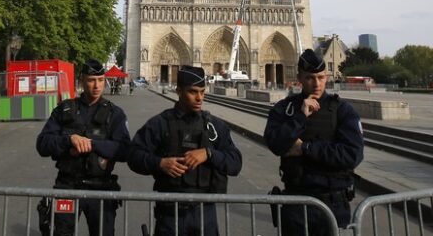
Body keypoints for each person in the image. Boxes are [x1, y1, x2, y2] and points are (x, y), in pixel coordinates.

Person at [128, 65, 243, 236]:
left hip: (205, 213)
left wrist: (209, 154)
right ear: (179, 91)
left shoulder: (214, 127)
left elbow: (235, 163)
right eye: (193, 92)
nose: (199, 98)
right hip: (170, 214)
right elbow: (133, 155)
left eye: (202, 92)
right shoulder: (159, 124)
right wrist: (159, 163)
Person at [263, 49, 364, 235]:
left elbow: (353, 154)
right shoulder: (285, 109)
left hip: (334, 203)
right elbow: (274, 143)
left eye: (321, 77)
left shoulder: (343, 110)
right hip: (296, 202)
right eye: (310, 78)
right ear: (299, 77)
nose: (317, 84)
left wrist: (305, 148)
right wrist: (300, 117)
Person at [36, 58, 131, 236]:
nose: (97, 85)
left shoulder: (115, 114)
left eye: (101, 80)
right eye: (91, 80)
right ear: (81, 81)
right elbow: (42, 144)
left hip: (100, 188)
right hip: (68, 186)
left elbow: (125, 150)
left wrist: (93, 145)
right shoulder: (64, 110)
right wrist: (68, 140)